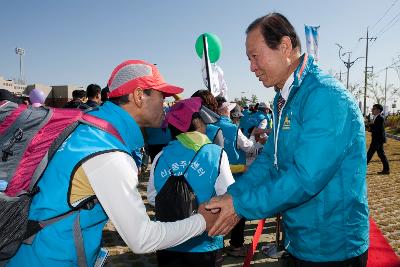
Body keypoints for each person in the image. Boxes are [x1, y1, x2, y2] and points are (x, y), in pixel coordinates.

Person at [7, 60, 218, 267]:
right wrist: (201, 221)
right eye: (161, 96)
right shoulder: (109, 153)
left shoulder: (89, 127)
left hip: (31, 249)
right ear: (138, 96)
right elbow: (142, 238)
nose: (164, 104)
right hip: (51, 258)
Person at [206, 13, 369, 266]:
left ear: (284, 47)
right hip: (300, 241)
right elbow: (269, 162)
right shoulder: (284, 98)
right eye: (248, 59)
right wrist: (233, 196)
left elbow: (306, 177)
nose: (251, 67)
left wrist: (240, 205)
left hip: (333, 247)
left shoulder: (325, 97)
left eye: (255, 56)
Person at [147, 97, 235, 267]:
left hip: (167, 240)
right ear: (196, 123)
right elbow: (227, 194)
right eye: (203, 121)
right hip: (205, 243)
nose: (206, 126)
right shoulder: (215, 154)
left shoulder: (159, 157)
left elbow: (152, 197)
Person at [215, 100, 264, 257]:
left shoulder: (207, 127)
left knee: (216, 209)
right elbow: (249, 147)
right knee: (237, 210)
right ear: (227, 112)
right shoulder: (232, 129)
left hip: (213, 177)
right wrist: (257, 142)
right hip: (234, 177)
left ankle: (217, 247)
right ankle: (236, 247)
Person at [367, 104, 390, 174]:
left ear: (378, 110)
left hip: (378, 139)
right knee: (381, 154)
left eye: (374, 109)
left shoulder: (380, 118)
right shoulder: (376, 117)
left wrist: (369, 128)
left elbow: (377, 129)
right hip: (377, 139)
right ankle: (386, 170)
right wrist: (368, 126)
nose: (372, 110)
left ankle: (361, 169)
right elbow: (374, 126)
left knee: (369, 154)